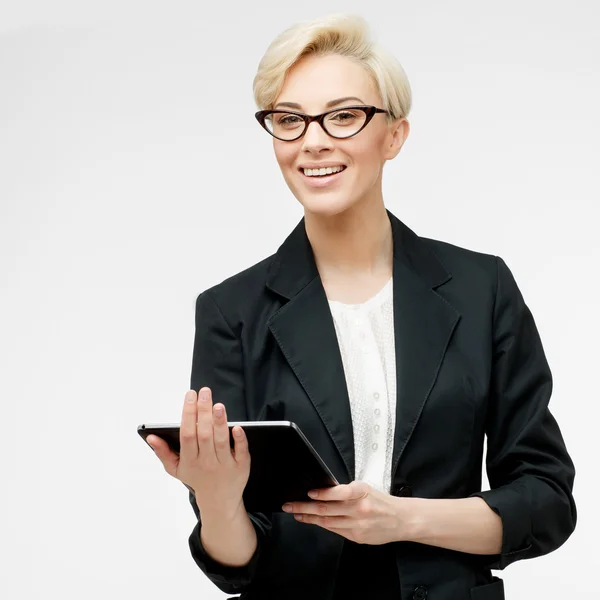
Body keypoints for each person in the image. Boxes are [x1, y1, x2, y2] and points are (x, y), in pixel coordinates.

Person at [146, 13, 577, 600]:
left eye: (344, 116)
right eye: (289, 120)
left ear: (395, 134)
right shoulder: (231, 311)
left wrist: (402, 519)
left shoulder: (482, 289)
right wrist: (219, 502)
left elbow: (545, 501)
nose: (314, 140)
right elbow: (236, 564)